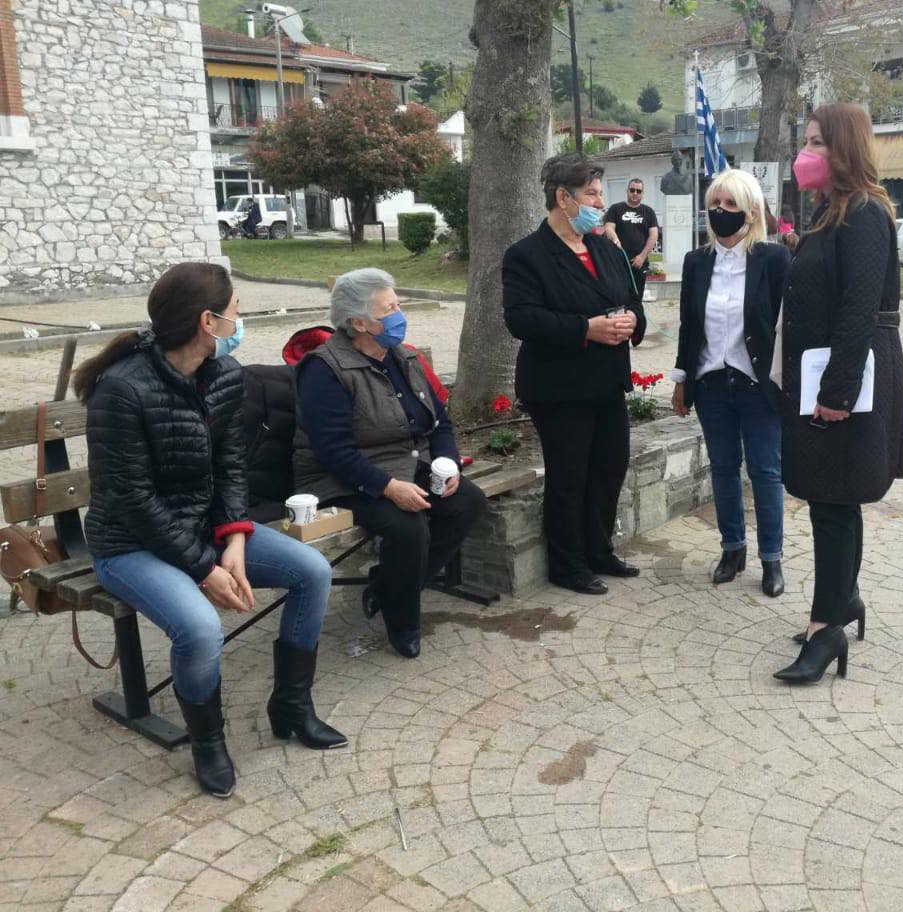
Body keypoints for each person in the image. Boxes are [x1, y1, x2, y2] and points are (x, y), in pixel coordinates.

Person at [74, 263, 345, 799]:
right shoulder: (121, 390)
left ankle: (292, 706)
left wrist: (236, 540)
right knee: (201, 629)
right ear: (208, 321)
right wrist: (205, 567)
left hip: (203, 530)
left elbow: (231, 466)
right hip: (127, 543)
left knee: (312, 571)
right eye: (235, 310)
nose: (239, 320)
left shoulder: (223, 374)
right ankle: (208, 743)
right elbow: (131, 499)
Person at [771, 103, 903, 684]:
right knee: (834, 499)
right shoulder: (833, 212)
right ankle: (843, 598)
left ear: (844, 147)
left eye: (816, 142)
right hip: (827, 376)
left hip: (844, 380)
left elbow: (859, 309)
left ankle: (824, 629)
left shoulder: (865, 214)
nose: (805, 153)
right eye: (805, 141)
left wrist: (837, 392)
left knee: (831, 501)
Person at [293, 268, 485, 659]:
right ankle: (403, 624)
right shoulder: (324, 368)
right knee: (408, 527)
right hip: (343, 477)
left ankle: (386, 586)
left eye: (398, 305)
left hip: (407, 462)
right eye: (389, 310)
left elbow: (439, 423)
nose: (399, 315)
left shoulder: (402, 356)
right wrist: (388, 488)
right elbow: (334, 452)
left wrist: (446, 463)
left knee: (468, 502)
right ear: (358, 322)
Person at [503, 152, 647, 595]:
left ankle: (599, 550)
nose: (600, 203)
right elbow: (522, 319)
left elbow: (631, 297)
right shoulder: (526, 255)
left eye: (600, 194)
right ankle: (568, 564)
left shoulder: (605, 246)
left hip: (607, 380)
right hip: (560, 386)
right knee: (569, 477)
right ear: (563, 198)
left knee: (609, 470)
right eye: (591, 194)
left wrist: (632, 322)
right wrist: (586, 328)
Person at [671, 168, 790, 597]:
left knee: (765, 472)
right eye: (714, 204)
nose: (720, 211)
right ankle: (732, 549)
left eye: (730, 204)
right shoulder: (697, 261)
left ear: (751, 211)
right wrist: (681, 379)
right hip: (711, 384)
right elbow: (688, 326)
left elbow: (786, 326)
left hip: (757, 384)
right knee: (722, 469)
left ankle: (772, 558)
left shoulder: (773, 259)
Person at [604, 178, 660, 297]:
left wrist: (642, 256)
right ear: (627, 191)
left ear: (642, 193)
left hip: (639, 262)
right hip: (618, 261)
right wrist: (614, 238)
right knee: (618, 296)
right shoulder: (615, 209)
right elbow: (609, 227)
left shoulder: (649, 212)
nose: (635, 193)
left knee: (636, 297)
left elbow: (654, 235)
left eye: (638, 191)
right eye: (632, 190)